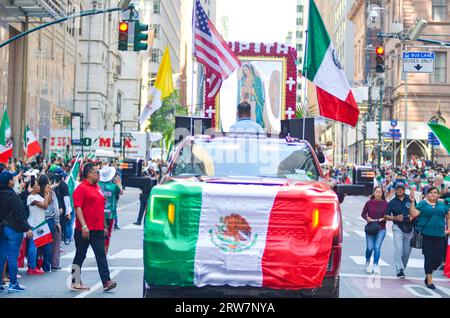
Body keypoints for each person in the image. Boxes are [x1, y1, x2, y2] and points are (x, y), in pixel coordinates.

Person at [70, 163, 117, 292]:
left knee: (101, 255)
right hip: (84, 229)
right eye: (97, 172)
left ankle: (106, 281)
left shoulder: (97, 187)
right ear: (89, 173)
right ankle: (75, 281)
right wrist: (84, 226)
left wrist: (104, 226)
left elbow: (100, 208)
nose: (99, 174)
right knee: (80, 255)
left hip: (98, 228)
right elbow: (78, 208)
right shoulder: (81, 188)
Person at [409, 187, 450, 289]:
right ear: (427, 194)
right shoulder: (423, 204)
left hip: (440, 235)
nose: (433, 194)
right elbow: (413, 214)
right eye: (431, 192)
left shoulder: (442, 205)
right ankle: (430, 280)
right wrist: (412, 201)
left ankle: (429, 272)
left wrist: (449, 229)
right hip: (427, 235)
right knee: (428, 257)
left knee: (438, 260)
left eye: (435, 193)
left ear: (438, 195)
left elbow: (448, 216)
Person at [0, 170, 33, 292]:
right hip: (13, 229)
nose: (15, 180)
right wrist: (27, 228)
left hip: (2, 229)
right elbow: (19, 214)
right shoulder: (11, 195)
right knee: (13, 256)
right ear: (9, 181)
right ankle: (13, 283)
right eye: (13, 179)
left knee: (2, 256)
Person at [384, 181, 416, 278]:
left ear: (404, 189)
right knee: (399, 249)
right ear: (395, 189)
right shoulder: (392, 202)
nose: (399, 190)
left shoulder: (409, 199)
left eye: (401, 188)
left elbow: (416, 211)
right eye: (397, 188)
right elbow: (385, 216)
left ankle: (402, 267)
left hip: (410, 228)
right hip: (397, 227)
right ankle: (399, 269)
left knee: (407, 251)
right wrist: (395, 218)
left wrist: (412, 217)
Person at [26, 175, 52, 275]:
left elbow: (48, 202)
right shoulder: (31, 197)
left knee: (39, 246)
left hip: (41, 224)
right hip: (34, 224)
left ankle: (36, 266)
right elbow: (45, 206)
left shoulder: (38, 196)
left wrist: (48, 192)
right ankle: (31, 267)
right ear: (32, 188)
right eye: (36, 186)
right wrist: (46, 194)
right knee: (33, 246)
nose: (39, 187)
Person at [361, 186, 388, 274]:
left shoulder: (385, 204)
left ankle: (375, 265)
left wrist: (383, 218)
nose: (378, 193)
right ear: (374, 193)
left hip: (381, 228)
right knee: (370, 248)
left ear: (382, 193)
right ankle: (367, 260)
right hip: (371, 228)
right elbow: (363, 214)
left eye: (380, 192)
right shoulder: (369, 203)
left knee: (377, 247)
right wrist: (367, 218)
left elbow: (388, 215)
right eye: (377, 192)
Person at [38, 175, 61, 272]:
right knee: (48, 244)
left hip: (39, 220)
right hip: (50, 220)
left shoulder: (37, 192)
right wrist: (57, 222)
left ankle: (37, 265)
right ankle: (47, 266)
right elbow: (56, 209)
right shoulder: (51, 193)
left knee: (39, 243)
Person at [98, 166, 123, 255]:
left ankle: (100, 252)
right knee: (107, 234)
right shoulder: (113, 186)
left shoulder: (98, 185)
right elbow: (121, 192)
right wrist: (119, 183)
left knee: (99, 234)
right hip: (110, 213)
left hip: (99, 213)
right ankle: (105, 253)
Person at [237, 63, 266, 128]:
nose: (245, 71)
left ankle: (258, 126)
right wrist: (244, 91)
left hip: (254, 101)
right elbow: (240, 93)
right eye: (244, 70)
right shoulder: (242, 80)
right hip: (245, 101)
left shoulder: (257, 79)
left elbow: (259, 92)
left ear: (251, 70)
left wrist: (252, 90)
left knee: (254, 115)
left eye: (247, 69)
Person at [53, 167, 72, 245]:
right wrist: (68, 212)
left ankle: (57, 242)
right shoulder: (64, 185)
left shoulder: (52, 185)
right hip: (62, 209)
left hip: (54, 209)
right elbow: (66, 200)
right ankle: (59, 242)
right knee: (61, 226)